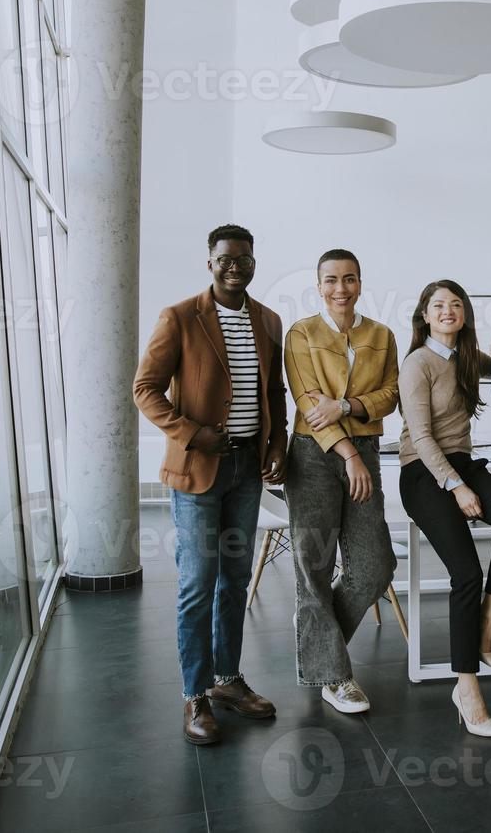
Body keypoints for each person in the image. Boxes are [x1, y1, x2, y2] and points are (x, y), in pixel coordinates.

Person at [133, 224, 287, 745]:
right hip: (198, 472)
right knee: (198, 582)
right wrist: (192, 433)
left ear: (253, 263)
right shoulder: (179, 317)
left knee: (235, 580)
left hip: (247, 472)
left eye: (244, 258)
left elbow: (275, 392)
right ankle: (194, 694)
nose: (235, 266)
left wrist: (277, 444)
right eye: (225, 259)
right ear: (210, 262)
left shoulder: (268, 320)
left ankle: (226, 681)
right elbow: (145, 389)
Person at [397, 280, 491, 737]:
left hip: (462, 464)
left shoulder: (469, 359)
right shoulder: (418, 363)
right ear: (425, 315)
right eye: (438, 305)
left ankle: (488, 624)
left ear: (465, 315)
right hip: (423, 472)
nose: (448, 311)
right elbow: (420, 437)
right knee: (467, 574)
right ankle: (467, 685)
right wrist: (456, 488)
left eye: (456, 304)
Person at [282, 249, 399, 714]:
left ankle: (314, 628)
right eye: (331, 280)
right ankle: (334, 676)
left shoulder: (381, 335)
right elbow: (309, 399)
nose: (340, 288)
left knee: (375, 565)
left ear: (360, 283)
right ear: (319, 285)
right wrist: (348, 453)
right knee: (314, 563)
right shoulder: (301, 333)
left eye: (349, 279)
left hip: (365, 449)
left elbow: (389, 394)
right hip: (313, 454)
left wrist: (348, 408)